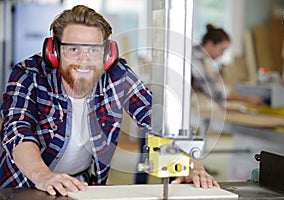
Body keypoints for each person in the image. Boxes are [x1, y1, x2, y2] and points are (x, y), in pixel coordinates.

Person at [0, 5, 218, 196]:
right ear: (53, 51)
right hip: (25, 184)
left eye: (94, 50)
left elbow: (156, 118)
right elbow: (17, 130)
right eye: (74, 49)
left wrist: (191, 164)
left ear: (107, 54)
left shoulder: (117, 74)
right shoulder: (29, 74)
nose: (84, 60)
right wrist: (43, 176)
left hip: (81, 187)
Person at [192, 24, 264, 106]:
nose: (222, 54)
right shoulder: (196, 58)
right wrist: (246, 99)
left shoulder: (204, 59)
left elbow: (216, 85)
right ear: (210, 44)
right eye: (222, 50)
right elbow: (212, 92)